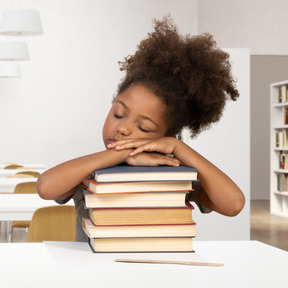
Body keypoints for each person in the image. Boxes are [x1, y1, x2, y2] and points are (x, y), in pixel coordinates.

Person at [37, 15, 245, 242]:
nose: (123, 128)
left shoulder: (175, 177)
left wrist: (178, 147)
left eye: (143, 127)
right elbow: (45, 187)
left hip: (157, 274)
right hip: (95, 274)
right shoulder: (87, 174)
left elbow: (233, 204)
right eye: (118, 113)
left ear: (165, 137)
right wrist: (124, 152)